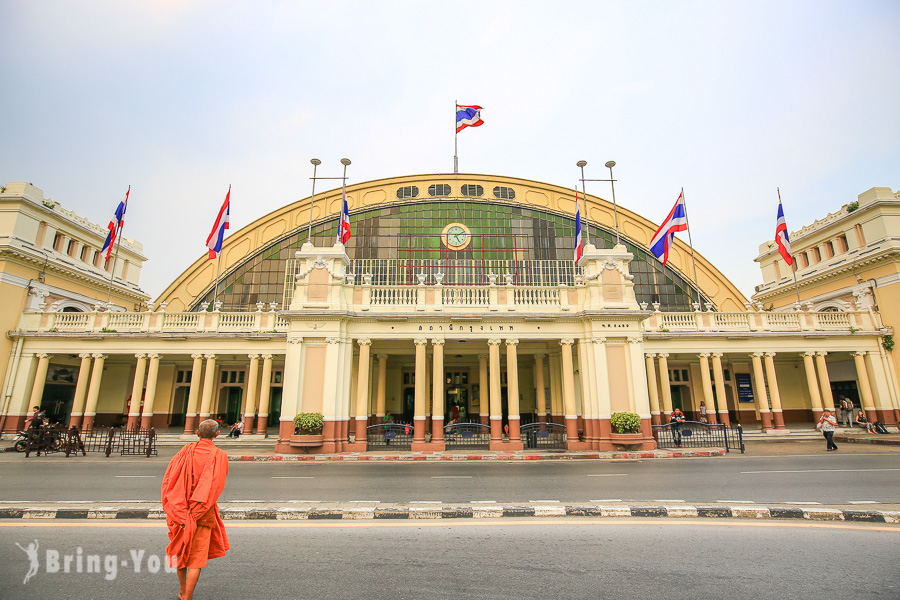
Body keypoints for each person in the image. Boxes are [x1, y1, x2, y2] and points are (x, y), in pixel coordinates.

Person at [161, 419, 230, 600]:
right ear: (217, 434)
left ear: (197, 433)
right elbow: (216, 487)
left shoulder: (184, 452)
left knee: (181, 552)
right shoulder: (219, 455)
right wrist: (197, 511)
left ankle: (183, 591)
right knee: (196, 559)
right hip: (202, 511)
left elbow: (168, 481)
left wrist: (178, 510)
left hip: (179, 511)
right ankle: (187, 597)